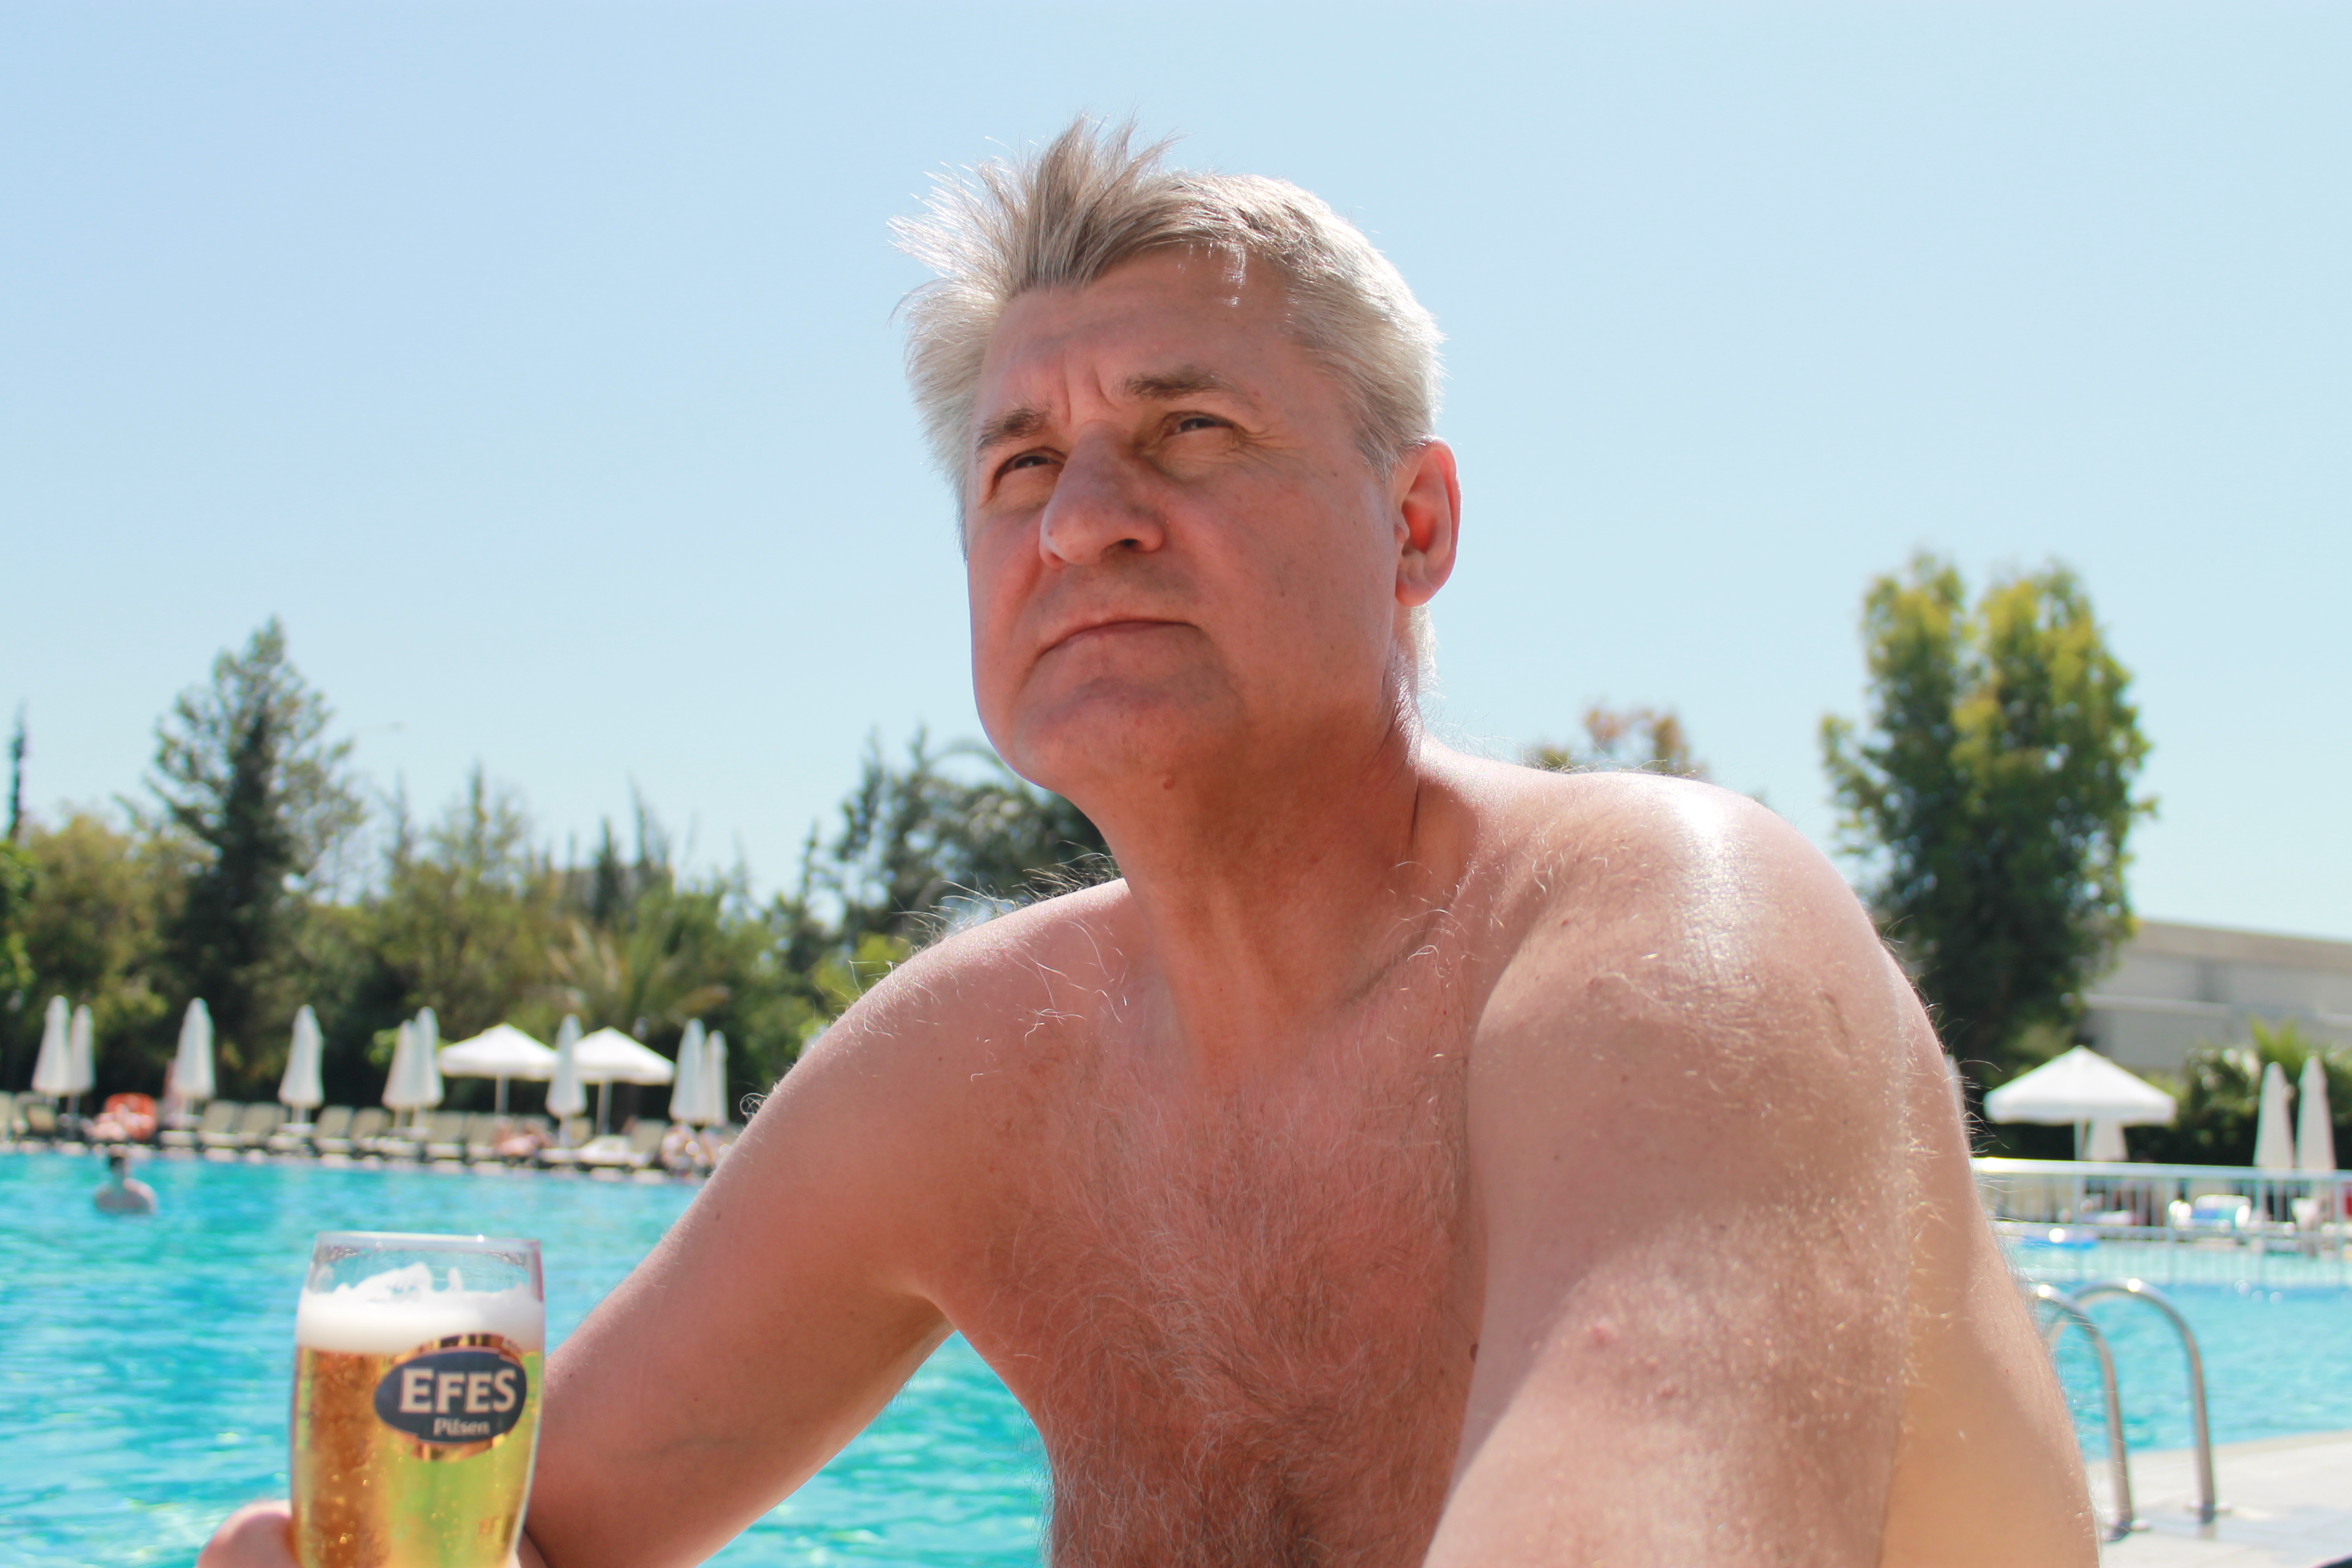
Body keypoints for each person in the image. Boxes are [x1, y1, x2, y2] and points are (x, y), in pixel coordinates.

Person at [204, 122, 2093, 1567]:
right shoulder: (972, 1068)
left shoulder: (1680, 942)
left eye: (1187, 430)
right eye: (1018, 462)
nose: (1078, 518)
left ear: (1416, 523)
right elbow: (529, 1527)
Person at [95, 1147, 158, 1215]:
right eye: (118, 1167)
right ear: (111, 1169)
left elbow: (149, 1218)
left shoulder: (142, 1195)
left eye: (123, 1166)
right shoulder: (101, 1198)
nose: (122, 1171)